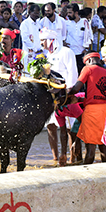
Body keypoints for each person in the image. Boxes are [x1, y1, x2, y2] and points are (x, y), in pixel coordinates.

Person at [40, 27, 78, 166]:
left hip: (65, 96)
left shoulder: (66, 52)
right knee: (50, 126)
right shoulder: (47, 56)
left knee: (69, 129)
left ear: (51, 40)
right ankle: (56, 158)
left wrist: (69, 93)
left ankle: (72, 158)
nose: (41, 44)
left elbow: (72, 73)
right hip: (51, 97)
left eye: (43, 40)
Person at [68, 52, 106, 164]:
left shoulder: (88, 69)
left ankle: (87, 177)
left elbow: (77, 87)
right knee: (103, 148)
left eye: (85, 63)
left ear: (90, 60)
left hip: (92, 111)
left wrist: (68, 95)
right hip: (105, 110)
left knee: (90, 150)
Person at [65, 3, 87, 73]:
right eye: (67, 12)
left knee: (81, 74)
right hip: (70, 53)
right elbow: (62, 36)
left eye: (70, 12)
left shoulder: (84, 22)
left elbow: (89, 37)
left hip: (81, 53)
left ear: (76, 12)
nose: (68, 15)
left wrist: (86, 49)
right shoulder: (66, 23)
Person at [20, 3, 42, 68]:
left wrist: (41, 48)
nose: (37, 15)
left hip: (38, 54)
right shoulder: (25, 23)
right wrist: (35, 49)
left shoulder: (38, 24)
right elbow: (25, 39)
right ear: (29, 12)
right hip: (28, 53)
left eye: (38, 13)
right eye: (35, 13)